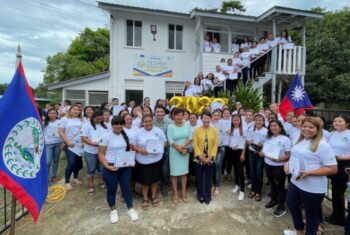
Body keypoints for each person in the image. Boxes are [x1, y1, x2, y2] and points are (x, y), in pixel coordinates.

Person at [284, 117, 337, 235]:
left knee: (311, 215)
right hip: (296, 181)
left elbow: (333, 168)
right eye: (304, 126)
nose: (307, 129)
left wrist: (309, 173)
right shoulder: (300, 140)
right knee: (291, 203)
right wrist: (287, 165)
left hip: (313, 187)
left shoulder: (322, 145)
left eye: (311, 127)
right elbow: (294, 157)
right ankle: (299, 231)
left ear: (318, 129)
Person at [98, 116, 138, 223]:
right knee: (112, 190)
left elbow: (129, 150)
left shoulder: (126, 135)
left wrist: (131, 161)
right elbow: (101, 154)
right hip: (111, 167)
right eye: (116, 124)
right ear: (112, 125)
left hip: (124, 167)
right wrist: (107, 166)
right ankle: (113, 210)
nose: (119, 126)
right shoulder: (106, 136)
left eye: (121, 124)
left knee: (126, 189)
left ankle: (130, 209)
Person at [133, 115, 167, 210]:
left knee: (155, 180)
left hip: (156, 160)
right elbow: (133, 145)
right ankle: (145, 198)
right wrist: (140, 150)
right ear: (143, 123)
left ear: (153, 121)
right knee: (144, 181)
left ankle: (153, 196)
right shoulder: (138, 132)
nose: (148, 123)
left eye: (150, 121)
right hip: (143, 161)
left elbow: (165, 142)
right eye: (146, 121)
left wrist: (160, 148)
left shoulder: (158, 131)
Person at [261, 120, 291, 217]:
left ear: (280, 127)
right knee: (272, 184)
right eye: (271, 126)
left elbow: (288, 154)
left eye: (275, 126)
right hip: (268, 164)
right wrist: (262, 152)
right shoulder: (268, 137)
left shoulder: (285, 139)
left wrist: (278, 160)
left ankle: (281, 207)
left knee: (280, 186)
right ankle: (273, 200)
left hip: (279, 166)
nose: (273, 128)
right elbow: (264, 150)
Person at [326, 115, 350, 226]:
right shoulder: (332, 134)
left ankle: (340, 219)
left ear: (347, 123)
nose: (337, 123)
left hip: (344, 165)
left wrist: (340, 157)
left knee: (339, 192)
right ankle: (335, 214)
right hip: (332, 163)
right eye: (335, 121)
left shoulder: (349, 134)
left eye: (340, 121)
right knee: (335, 191)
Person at [167, 108, 192, 204]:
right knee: (174, 174)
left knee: (184, 173)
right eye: (177, 115)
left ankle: (184, 192)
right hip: (174, 152)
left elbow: (190, 138)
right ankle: (175, 193)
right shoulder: (170, 126)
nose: (179, 117)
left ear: (183, 116)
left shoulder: (187, 125)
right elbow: (170, 140)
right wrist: (178, 147)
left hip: (184, 151)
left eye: (181, 115)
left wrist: (182, 147)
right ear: (173, 116)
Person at [81, 111, 109, 195]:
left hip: (102, 151)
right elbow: (84, 138)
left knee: (101, 168)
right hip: (90, 151)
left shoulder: (105, 125)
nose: (99, 121)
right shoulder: (86, 125)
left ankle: (101, 182)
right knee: (91, 168)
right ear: (93, 117)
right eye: (97, 119)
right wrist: (92, 143)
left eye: (101, 119)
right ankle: (90, 186)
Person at [193, 111, 218, 205]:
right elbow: (195, 144)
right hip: (199, 158)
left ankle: (208, 195)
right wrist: (200, 156)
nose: (206, 120)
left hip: (210, 158)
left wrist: (210, 157)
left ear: (210, 119)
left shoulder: (214, 130)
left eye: (208, 118)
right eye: (204, 118)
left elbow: (215, 144)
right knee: (199, 177)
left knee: (208, 177)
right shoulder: (197, 130)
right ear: (201, 119)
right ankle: (200, 195)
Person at [58, 105, 84, 190]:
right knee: (71, 162)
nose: (76, 111)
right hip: (69, 144)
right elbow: (61, 132)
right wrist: (67, 141)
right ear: (70, 110)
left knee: (78, 163)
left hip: (80, 145)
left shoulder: (82, 120)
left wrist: (84, 142)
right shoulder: (64, 119)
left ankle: (75, 177)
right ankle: (67, 182)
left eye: (78, 110)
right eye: (74, 109)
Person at [246, 114, 268, 202]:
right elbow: (247, 141)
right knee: (253, 172)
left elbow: (269, 143)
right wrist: (249, 142)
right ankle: (253, 189)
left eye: (260, 120)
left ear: (263, 121)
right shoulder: (251, 129)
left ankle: (258, 191)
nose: (258, 122)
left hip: (260, 154)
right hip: (251, 152)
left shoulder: (266, 131)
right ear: (254, 121)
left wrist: (263, 145)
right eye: (256, 120)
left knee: (259, 173)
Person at [153, 105, 173, 196]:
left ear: (164, 113)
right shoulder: (151, 121)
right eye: (158, 111)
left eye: (161, 112)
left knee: (165, 169)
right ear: (155, 112)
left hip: (166, 149)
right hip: (153, 150)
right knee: (154, 168)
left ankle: (164, 185)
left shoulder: (169, 122)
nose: (160, 113)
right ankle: (154, 186)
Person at [229, 114, 246, 201]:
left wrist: (243, 154)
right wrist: (231, 146)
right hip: (232, 151)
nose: (236, 122)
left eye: (237, 120)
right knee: (235, 169)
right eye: (234, 120)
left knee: (240, 171)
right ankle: (237, 184)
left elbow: (245, 143)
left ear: (240, 121)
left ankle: (242, 190)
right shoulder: (231, 130)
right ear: (232, 121)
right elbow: (229, 140)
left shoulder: (243, 130)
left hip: (240, 152)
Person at [211, 109, 228, 196]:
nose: (216, 117)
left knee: (217, 166)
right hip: (210, 149)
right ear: (212, 116)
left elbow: (228, 132)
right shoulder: (209, 124)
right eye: (215, 115)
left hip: (220, 148)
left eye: (218, 115)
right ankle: (212, 184)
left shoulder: (223, 124)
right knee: (211, 166)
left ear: (220, 116)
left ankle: (217, 186)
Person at [44, 108, 62, 184]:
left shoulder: (60, 122)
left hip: (58, 143)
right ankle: (46, 177)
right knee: (48, 161)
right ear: (47, 114)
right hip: (48, 144)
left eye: (54, 113)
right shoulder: (44, 122)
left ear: (57, 114)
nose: (52, 114)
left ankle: (53, 176)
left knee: (56, 160)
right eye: (50, 113)